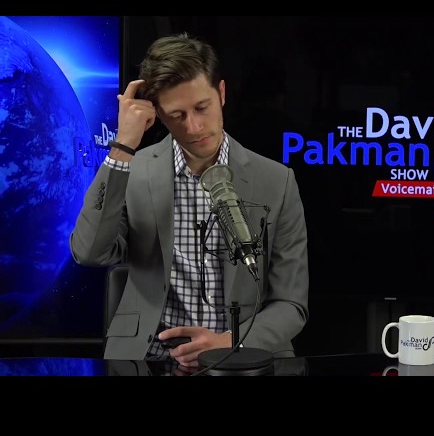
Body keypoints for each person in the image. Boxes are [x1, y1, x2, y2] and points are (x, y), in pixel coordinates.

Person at [69, 32, 309, 368]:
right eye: (177, 115)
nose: (194, 127)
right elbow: (88, 252)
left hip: (244, 357)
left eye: (201, 108)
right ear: (158, 114)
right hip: (150, 357)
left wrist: (230, 343)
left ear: (221, 93)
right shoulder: (131, 170)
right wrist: (123, 147)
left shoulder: (277, 181)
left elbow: (291, 304)